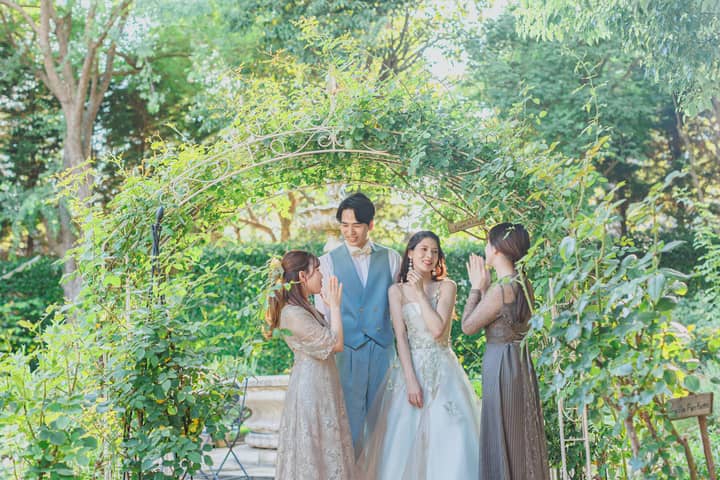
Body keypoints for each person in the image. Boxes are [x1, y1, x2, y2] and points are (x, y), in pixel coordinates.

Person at [357, 231, 481, 479]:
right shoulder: (396, 292)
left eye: (434, 251)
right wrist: (411, 380)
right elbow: (401, 338)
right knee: (403, 440)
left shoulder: (447, 287)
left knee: (451, 435)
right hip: (410, 371)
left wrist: (420, 293)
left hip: (444, 371)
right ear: (411, 253)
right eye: (424, 249)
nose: (429, 256)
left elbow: (437, 330)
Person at [461, 223, 550, 480]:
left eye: (488, 243)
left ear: (498, 249)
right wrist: (485, 288)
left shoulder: (501, 290)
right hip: (519, 361)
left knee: (502, 429)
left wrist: (476, 287)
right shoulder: (523, 283)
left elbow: (468, 326)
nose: (486, 248)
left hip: (501, 363)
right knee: (519, 432)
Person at [315, 192, 401, 449]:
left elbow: (399, 307)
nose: (350, 232)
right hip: (346, 350)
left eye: (356, 225)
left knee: (385, 422)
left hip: (383, 350)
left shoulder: (392, 258)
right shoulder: (326, 263)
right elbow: (323, 312)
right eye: (344, 225)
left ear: (370, 225)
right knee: (347, 424)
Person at [266, 250, 355, 480]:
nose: (322, 275)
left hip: (323, 384)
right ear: (303, 276)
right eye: (317, 270)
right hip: (311, 390)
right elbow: (335, 344)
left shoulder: (305, 307)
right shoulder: (292, 313)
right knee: (313, 452)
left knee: (328, 449)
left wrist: (329, 308)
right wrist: (335, 306)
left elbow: (329, 338)